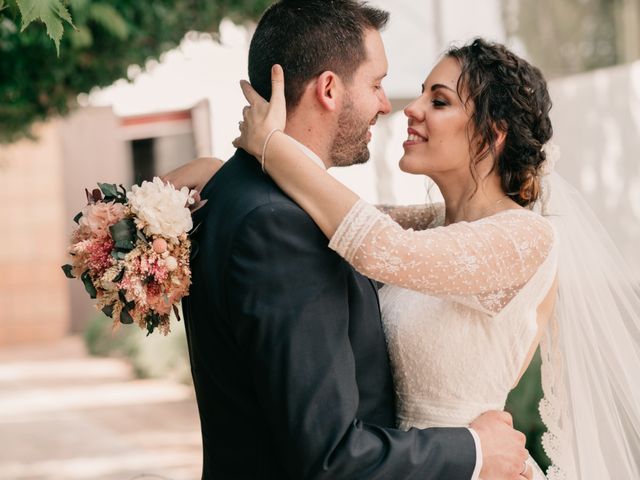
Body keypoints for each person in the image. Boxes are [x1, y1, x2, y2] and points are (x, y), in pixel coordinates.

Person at [226, 38, 640, 479]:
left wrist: (270, 145)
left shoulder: (526, 237)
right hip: (402, 463)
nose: (411, 108)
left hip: (474, 466)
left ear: (492, 132)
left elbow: (379, 248)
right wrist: (223, 177)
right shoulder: (432, 224)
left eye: (438, 101)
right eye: (421, 92)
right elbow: (331, 215)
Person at [169, 1, 531, 479]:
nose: (392, 106)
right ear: (329, 89)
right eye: (378, 84)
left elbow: (380, 235)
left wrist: (253, 157)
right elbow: (331, 456)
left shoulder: (243, 196)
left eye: (438, 101)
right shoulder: (281, 226)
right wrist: (476, 450)